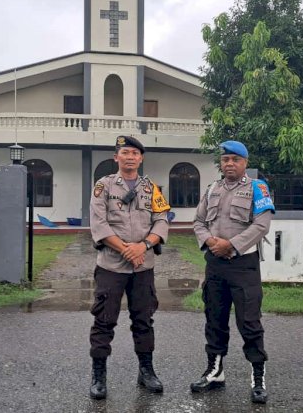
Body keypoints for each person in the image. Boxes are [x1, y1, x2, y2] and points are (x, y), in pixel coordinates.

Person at [190, 140, 275, 404]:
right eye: (225, 159)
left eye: (235, 160)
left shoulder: (257, 188)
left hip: (243, 266)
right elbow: (199, 221)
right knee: (214, 318)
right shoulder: (212, 188)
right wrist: (210, 242)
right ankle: (215, 372)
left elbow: (262, 225)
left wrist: (233, 246)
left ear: (245, 163)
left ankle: (258, 377)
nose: (229, 164)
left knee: (249, 322)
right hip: (215, 264)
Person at [88, 135, 170, 400]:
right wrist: (126, 249)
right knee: (104, 320)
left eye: (135, 153)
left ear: (141, 158)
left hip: (143, 266)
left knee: (144, 320)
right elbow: (99, 225)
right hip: (112, 266)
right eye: (125, 153)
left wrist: (143, 246)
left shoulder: (151, 188)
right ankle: (98, 375)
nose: (130, 157)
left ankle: (146, 371)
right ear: (117, 158)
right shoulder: (104, 186)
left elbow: (161, 221)